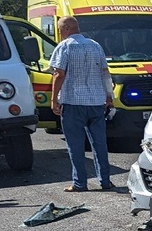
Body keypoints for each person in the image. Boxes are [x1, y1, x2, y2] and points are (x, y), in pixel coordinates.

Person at [49, 15, 114, 192]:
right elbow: (105, 72)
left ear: (67, 29)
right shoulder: (95, 45)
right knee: (100, 143)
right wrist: (109, 95)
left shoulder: (64, 47)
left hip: (72, 102)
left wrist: (54, 100)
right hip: (96, 101)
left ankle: (79, 183)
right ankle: (105, 180)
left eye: (61, 30)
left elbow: (59, 74)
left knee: (75, 144)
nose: (61, 33)